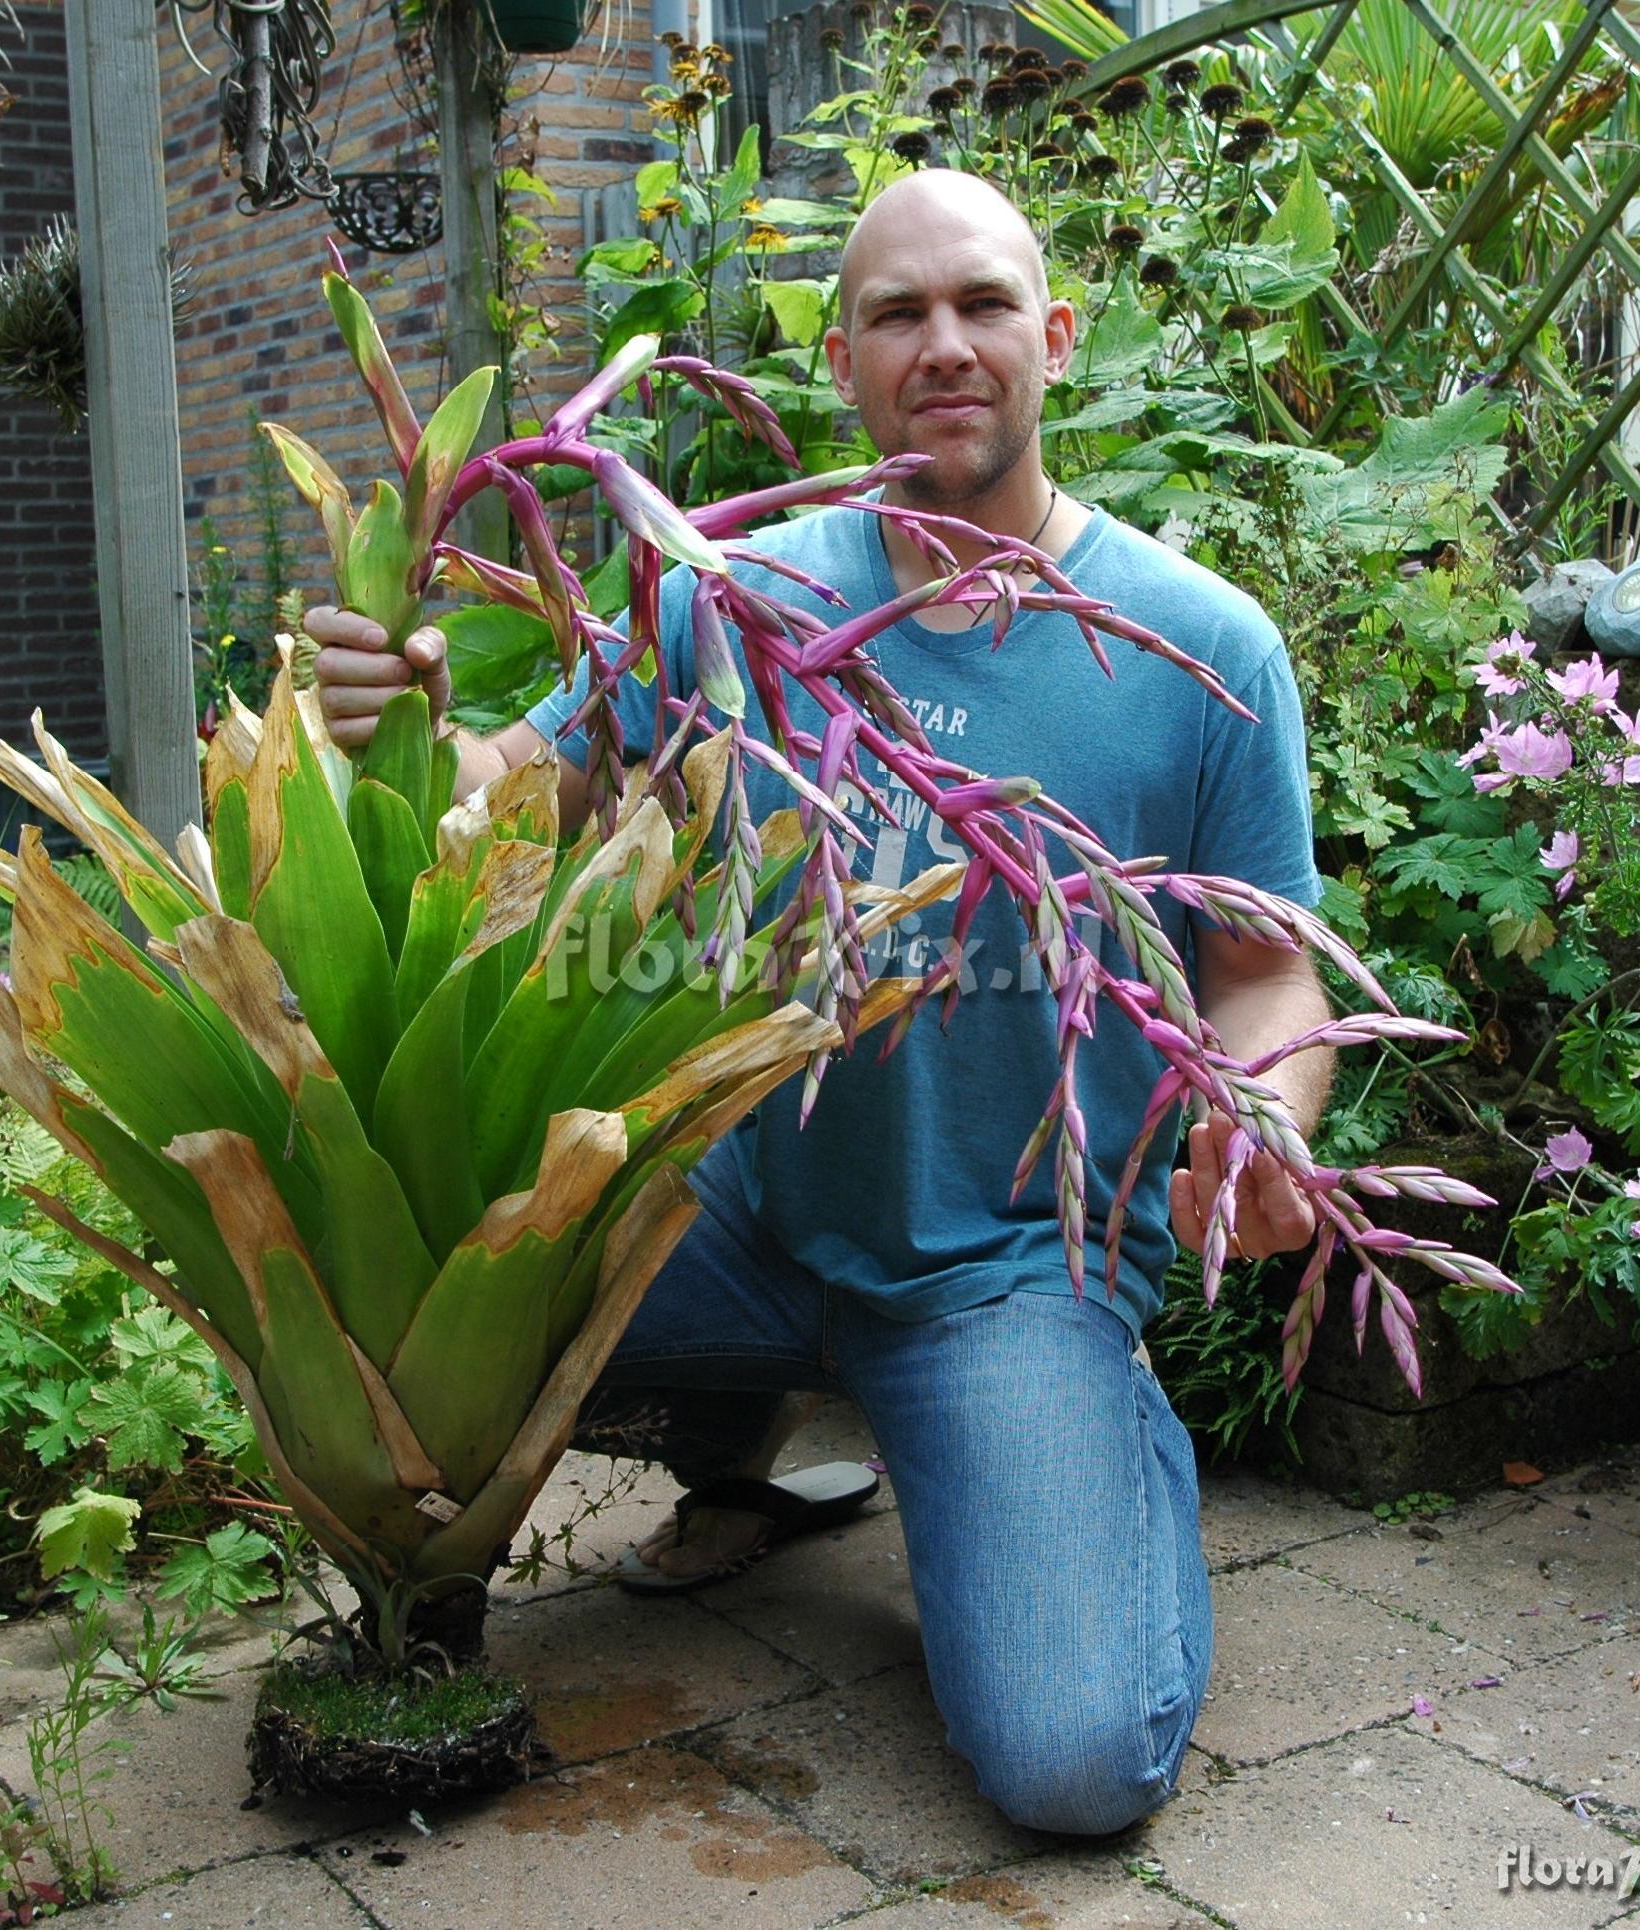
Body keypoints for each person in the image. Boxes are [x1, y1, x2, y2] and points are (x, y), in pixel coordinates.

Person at [305, 169, 1332, 1837]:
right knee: (388, 1275)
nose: (947, 345)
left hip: (1003, 1264)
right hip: (725, 1214)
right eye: (898, 315)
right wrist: (411, 704)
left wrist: (1267, 1120)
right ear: (842, 368)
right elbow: (522, 784)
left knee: (1077, 1768)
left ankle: (1062, 1429)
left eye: (985, 304)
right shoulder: (733, 594)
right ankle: (750, 1435)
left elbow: (1267, 962)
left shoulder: (1200, 643)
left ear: (1055, 338)